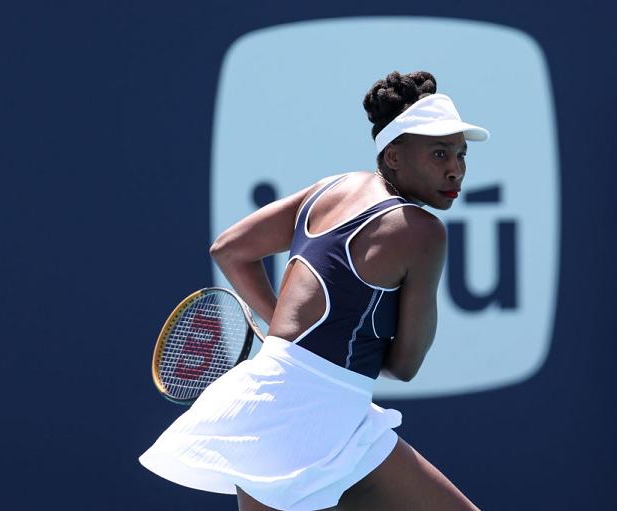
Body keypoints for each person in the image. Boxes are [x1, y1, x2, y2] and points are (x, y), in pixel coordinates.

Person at [139, 70, 489, 510]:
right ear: (394, 156)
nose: (455, 168)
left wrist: (284, 332)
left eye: (460, 154)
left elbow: (229, 249)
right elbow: (405, 365)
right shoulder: (422, 232)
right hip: (316, 411)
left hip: (269, 400)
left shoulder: (332, 188)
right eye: (439, 153)